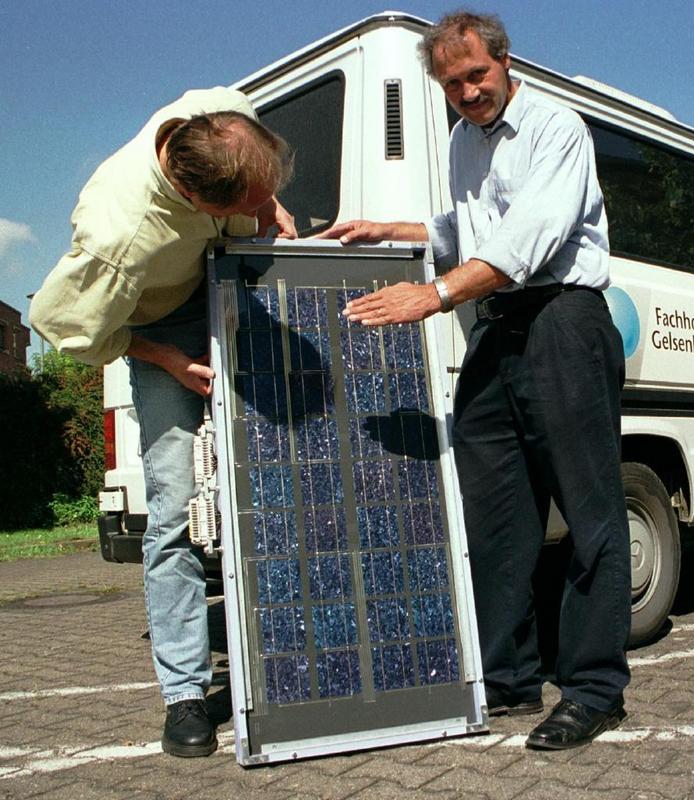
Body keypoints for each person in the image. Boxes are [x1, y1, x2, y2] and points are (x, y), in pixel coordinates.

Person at [320, 11, 631, 750]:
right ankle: (507, 680)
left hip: (561, 317)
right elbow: (466, 230)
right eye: (451, 84)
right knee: (493, 513)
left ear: (503, 62)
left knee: (590, 515)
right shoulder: (463, 142)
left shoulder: (557, 128)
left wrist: (431, 296)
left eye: (475, 76)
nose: (466, 92)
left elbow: (530, 236)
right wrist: (389, 233)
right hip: (497, 326)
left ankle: (594, 689)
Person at [30, 87, 296, 757]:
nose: (255, 211)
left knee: (282, 477)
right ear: (194, 200)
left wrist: (268, 204)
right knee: (175, 513)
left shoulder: (220, 108)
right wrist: (169, 361)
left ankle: (291, 660)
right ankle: (184, 694)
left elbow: (250, 182)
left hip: (228, 291)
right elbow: (67, 327)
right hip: (157, 330)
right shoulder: (118, 233)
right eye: (242, 205)